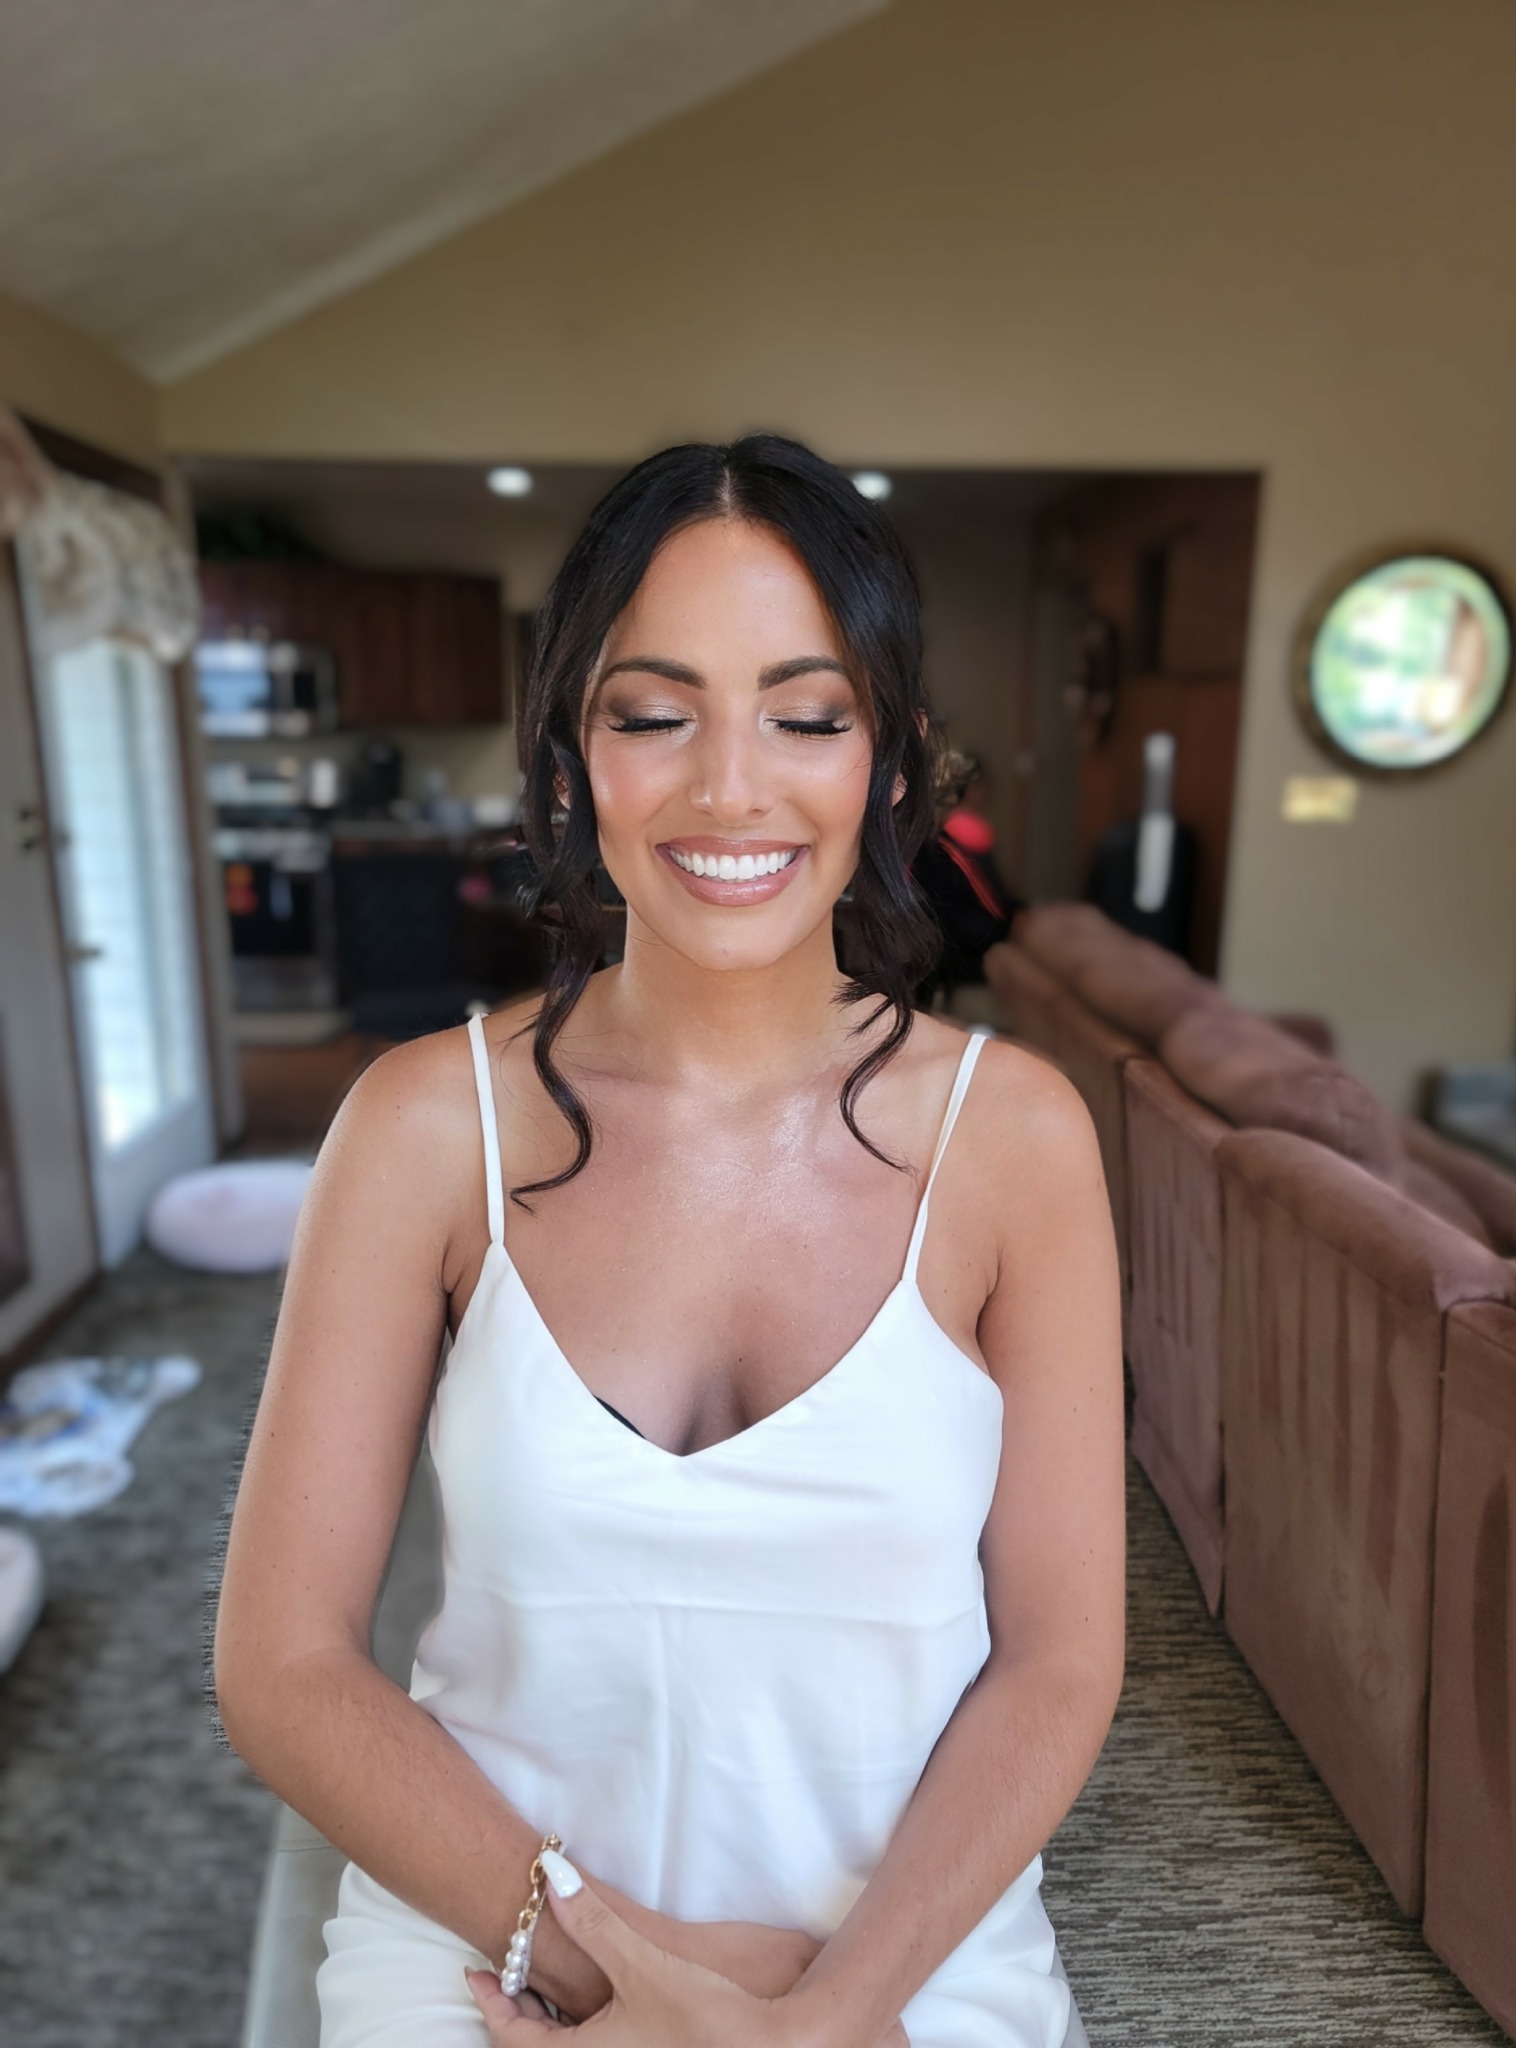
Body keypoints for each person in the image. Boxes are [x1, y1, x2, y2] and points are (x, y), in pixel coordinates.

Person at [215, 435, 1125, 2048]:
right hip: (494, 1935)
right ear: (571, 760)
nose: (728, 786)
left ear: (893, 766)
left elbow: (1059, 1661)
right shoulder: (421, 1128)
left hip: (900, 1956)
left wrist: (822, 2017)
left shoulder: (1020, 1141)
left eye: (806, 714)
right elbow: (282, 1662)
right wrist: (613, 1972)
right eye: (654, 714)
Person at [910, 751, 1021, 1005]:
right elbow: (987, 900)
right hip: (954, 948)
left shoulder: (937, 838)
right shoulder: (960, 832)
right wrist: (1010, 928)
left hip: (948, 942)